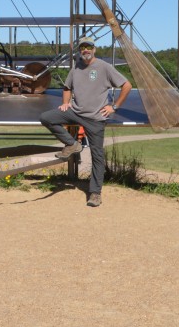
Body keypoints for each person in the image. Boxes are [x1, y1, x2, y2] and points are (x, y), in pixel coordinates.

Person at [40, 37, 132, 207]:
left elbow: (127, 85)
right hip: (75, 112)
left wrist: (115, 106)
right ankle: (72, 144)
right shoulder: (76, 68)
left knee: (97, 157)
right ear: (79, 50)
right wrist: (65, 103)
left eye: (88, 47)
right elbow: (67, 88)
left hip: (96, 118)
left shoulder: (104, 67)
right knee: (47, 118)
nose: (85, 50)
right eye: (82, 47)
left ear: (94, 49)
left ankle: (95, 193)